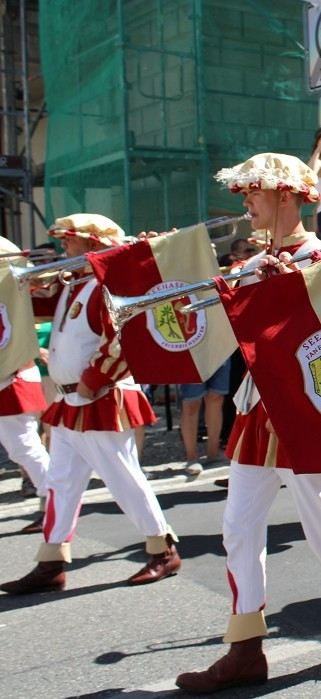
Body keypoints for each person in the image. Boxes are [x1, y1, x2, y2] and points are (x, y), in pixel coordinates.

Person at [175, 153, 321, 694]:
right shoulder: (253, 261)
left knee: (320, 520)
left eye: (254, 193)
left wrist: (287, 284)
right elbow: (212, 327)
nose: (245, 203)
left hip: (305, 409)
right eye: (244, 194)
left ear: (287, 196)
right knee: (238, 528)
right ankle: (245, 647)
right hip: (257, 410)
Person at [1, 213, 181, 595]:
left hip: (99, 396)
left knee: (122, 478)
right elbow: (27, 303)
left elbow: (122, 341)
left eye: (70, 241)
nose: (63, 248)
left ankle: (162, 549)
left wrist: (92, 381)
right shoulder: (74, 282)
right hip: (72, 399)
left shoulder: (105, 284)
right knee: (62, 483)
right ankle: (51, 561)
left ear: (94, 245)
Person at [0, 235, 51, 531]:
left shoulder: (12, 281)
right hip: (11, 372)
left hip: (13, 373)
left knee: (25, 447)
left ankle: (55, 503)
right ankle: (55, 502)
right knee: (22, 448)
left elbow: (41, 288)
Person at [178, 356, 230, 476]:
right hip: (191, 347)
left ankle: (213, 453)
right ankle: (191, 458)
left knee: (216, 398)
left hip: (219, 347)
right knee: (191, 403)